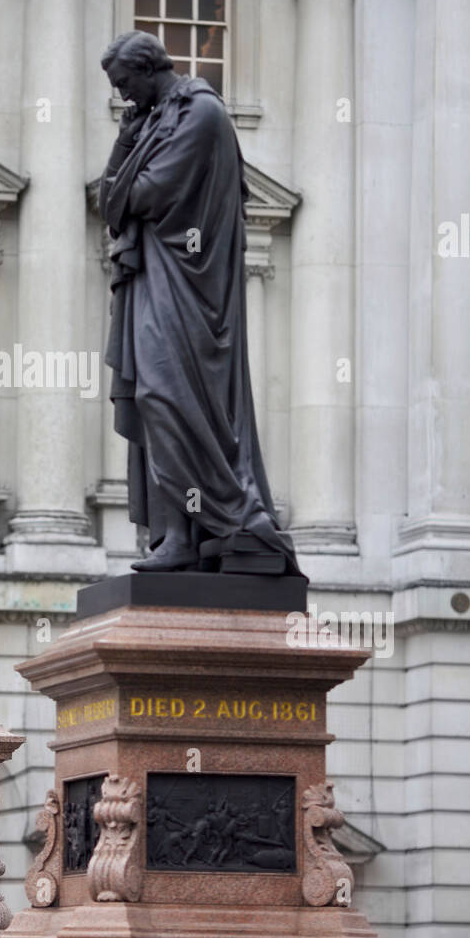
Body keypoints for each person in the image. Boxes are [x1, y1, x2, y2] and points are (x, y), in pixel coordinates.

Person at [99, 30, 301, 576]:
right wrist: (125, 139)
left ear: (148, 69)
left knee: (167, 397)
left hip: (191, 288)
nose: (123, 97)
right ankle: (178, 533)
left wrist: (125, 180)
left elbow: (143, 195)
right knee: (149, 397)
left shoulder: (201, 114)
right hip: (154, 278)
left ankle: (208, 522)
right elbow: (109, 201)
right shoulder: (154, 118)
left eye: (124, 85)